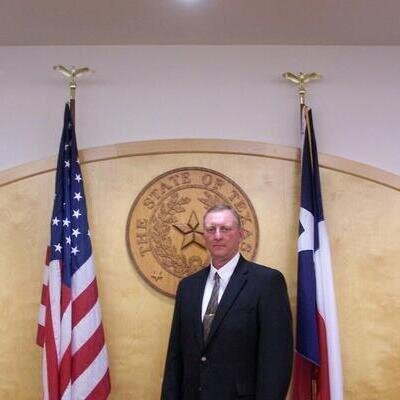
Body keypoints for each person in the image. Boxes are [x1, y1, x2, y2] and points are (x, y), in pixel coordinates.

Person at [161, 204, 293, 400]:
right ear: (204, 236)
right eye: (211, 229)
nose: (217, 236)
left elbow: (276, 359)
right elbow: (175, 356)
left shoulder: (266, 283)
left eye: (225, 229)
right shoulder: (188, 287)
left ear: (240, 234)